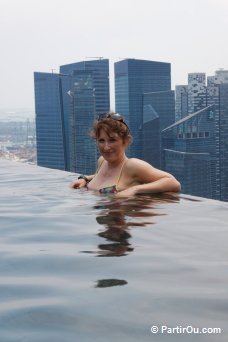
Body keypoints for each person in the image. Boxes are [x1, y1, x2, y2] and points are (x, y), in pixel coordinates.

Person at [70, 112, 181, 198]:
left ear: (126, 141)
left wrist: (135, 189)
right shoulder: (102, 161)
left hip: (120, 223)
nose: (106, 147)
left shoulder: (132, 166)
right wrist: (85, 179)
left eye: (112, 140)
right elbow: (106, 176)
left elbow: (173, 183)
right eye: (101, 140)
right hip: (101, 222)